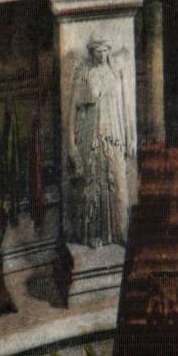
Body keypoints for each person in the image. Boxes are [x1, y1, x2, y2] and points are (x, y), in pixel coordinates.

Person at [66, 36, 136, 247]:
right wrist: (72, 145)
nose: (102, 54)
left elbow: (126, 108)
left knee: (117, 184)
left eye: (105, 50)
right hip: (91, 136)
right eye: (98, 51)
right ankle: (92, 234)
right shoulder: (84, 75)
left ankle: (119, 231)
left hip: (114, 136)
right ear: (91, 52)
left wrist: (130, 136)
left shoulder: (116, 73)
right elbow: (72, 113)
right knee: (93, 184)